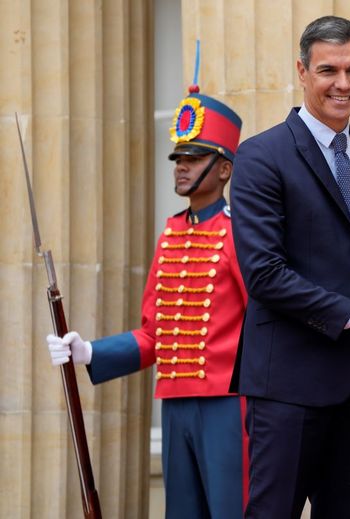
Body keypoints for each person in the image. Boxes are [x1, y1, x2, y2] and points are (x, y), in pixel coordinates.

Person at [228, 15, 350, 518]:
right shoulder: (261, 155)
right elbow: (264, 273)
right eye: (329, 70)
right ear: (302, 71)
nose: (343, 84)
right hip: (288, 386)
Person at [46, 82, 248, 518]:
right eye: (179, 158)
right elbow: (154, 336)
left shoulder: (238, 233)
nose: (181, 167)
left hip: (228, 405)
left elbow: (263, 324)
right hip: (174, 404)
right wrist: (89, 352)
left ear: (224, 169)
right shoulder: (171, 234)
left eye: (194, 158)